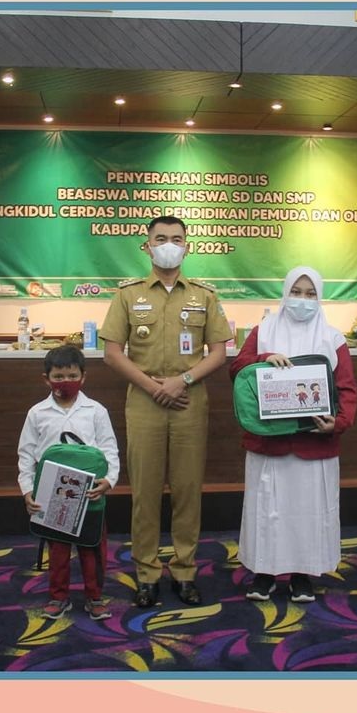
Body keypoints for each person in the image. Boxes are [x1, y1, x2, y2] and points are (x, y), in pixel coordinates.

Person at [99, 216, 231, 608]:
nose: (168, 245)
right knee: (145, 491)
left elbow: (219, 353)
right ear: (147, 246)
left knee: (188, 490)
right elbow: (112, 353)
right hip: (145, 402)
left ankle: (185, 570)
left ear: (187, 247)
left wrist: (182, 381)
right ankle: (147, 573)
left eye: (176, 238)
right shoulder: (128, 295)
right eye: (161, 239)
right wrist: (154, 386)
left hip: (189, 400)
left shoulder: (204, 296)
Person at [230, 267, 357, 603]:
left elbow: (347, 388)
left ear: (320, 297)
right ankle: (264, 573)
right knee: (267, 509)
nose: (302, 299)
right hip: (269, 442)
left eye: (310, 293)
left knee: (308, 512)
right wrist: (263, 359)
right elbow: (237, 368)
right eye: (296, 292)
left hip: (314, 442)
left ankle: (303, 575)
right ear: (285, 293)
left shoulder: (332, 338)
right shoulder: (263, 330)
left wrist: (338, 423)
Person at [17, 345, 120, 618]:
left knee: (92, 548)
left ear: (83, 377)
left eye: (72, 376)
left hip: (90, 492)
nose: (66, 381)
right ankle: (58, 596)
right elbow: (26, 454)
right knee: (58, 550)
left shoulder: (96, 411)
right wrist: (27, 490)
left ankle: (95, 596)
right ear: (46, 379)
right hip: (52, 492)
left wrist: (109, 481)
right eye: (59, 376)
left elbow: (110, 449)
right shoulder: (37, 413)